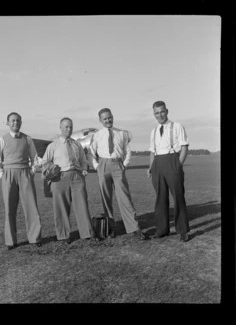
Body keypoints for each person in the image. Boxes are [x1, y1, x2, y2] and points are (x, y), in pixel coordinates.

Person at [88, 108, 150, 240]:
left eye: (109, 117)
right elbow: (91, 153)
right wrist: (97, 166)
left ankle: (134, 228)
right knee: (106, 199)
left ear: (112, 117)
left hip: (118, 165)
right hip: (103, 166)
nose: (108, 120)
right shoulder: (97, 135)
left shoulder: (122, 133)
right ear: (100, 120)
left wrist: (124, 165)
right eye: (104, 119)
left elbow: (128, 151)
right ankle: (109, 229)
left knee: (125, 198)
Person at [41, 117, 96, 244]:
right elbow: (45, 161)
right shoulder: (53, 145)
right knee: (61, 208)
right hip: (60, 177)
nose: (68, 129)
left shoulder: (77, 144)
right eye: (66, 127)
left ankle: (86, 233)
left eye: (70, 127)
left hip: (77, 177)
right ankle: (63, 236)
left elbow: (83, 160)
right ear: (60, 128)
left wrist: (84, 170)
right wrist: (52, 169)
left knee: (82, 205)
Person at [0, 112, 42, 250]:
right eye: (12, 121)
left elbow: (35, 158)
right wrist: (2, 175)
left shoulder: (28, 139)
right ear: (8, 123)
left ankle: (35, 238)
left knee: (31, 207)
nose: (15, 123)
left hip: (25, 173)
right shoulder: (2, 139)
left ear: (21, 122)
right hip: (9, 175)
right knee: (9, 208)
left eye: (18, 120)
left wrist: (32, 172)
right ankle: (11, 241)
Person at [147, 101, 190, 242]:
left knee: (178, 197)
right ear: (154, 114)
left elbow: (184, 147)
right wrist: (150, 167)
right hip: (157, 164)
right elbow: (153, 152)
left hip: (172, 161)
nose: (160, 115)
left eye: (162, 111)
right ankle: (162, 230)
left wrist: (178, 165)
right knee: (160, 199)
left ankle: (182, 230)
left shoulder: (177, 126)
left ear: (167, 111)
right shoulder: (153, 131)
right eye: (157, 113)